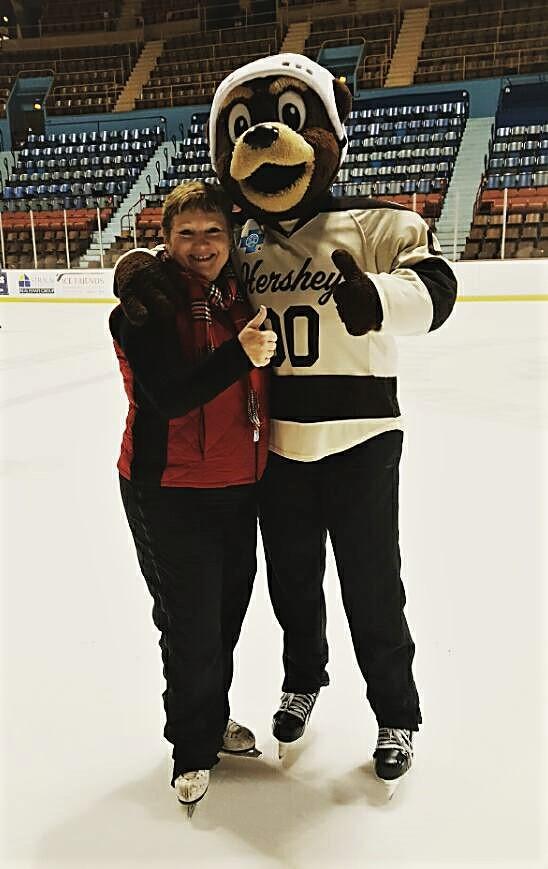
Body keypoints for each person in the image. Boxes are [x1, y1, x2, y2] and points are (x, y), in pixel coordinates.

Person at [109, 180, 275, 814]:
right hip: (169, 488)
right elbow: (169, 397)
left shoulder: (238, 294)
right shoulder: (145, 305)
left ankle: (209, 716)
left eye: (213, 232)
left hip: (238, 484)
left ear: (231, 239)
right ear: (166, 239)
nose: (201, 245)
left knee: (225, 617)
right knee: (190, 623)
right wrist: (240, 354)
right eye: (187, 233)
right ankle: (190, 746)